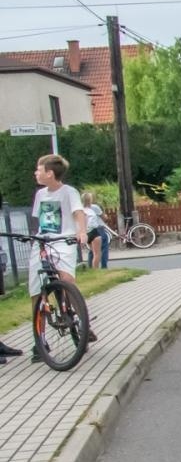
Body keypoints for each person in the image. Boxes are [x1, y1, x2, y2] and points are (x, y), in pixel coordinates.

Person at [26, 153, 96, 360]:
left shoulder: (68, 192)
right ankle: (39, 339)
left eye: (39, 169)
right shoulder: (40, 194)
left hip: (63, 242)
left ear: (49, 173)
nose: (35, 173)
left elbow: (78, 213)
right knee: (36, 290)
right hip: (43, 242)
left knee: (67, 281)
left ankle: (81, 321)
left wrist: (81, 232)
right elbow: (38, 221)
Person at [82, 191, 111, 269]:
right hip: (97, 229)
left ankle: (90, 267)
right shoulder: (94, 207)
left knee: (92, 251)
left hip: (86, 231)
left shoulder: (80, 209)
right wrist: (106, 216)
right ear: (90, 200)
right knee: (103, 248)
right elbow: (104, 217)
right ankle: (103, 267)